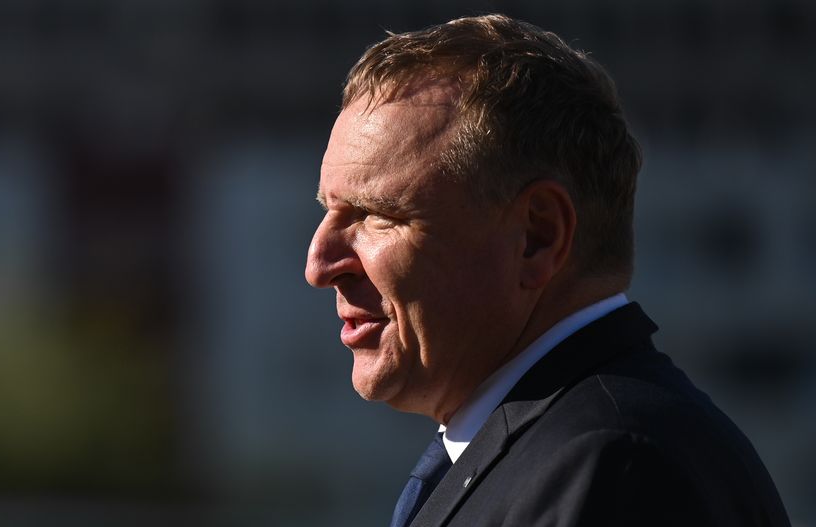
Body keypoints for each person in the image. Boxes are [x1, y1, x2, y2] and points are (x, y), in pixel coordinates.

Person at [304, 13, 790, 527]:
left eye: (376, 215)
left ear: (537, 237)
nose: (319, 265)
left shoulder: (614, 469)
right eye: (328, 211)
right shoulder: (557, 452)